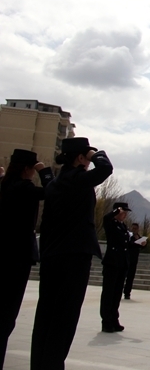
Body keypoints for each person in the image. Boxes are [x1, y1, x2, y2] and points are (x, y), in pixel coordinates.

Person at [31, 137, 113, 370]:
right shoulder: (77, 179)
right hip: (73, 256)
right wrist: (95, 154)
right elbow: (105, 168)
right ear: (80, 157)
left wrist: (45, 171)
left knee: (46, 313)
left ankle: (40, 364)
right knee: (65, 316)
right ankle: (52, 364)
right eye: (86, 156)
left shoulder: (55, 184)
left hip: (52, 255)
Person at [0, 150, 53, 368]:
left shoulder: (4, 185)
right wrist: (45, 171)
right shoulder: (24, 188)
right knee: (7, 313)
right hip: (17, 255)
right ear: (27, 169)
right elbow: (51, 191)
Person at [100, 202, 132, 332]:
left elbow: (126, 243)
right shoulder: (111, 223)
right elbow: (106, 218)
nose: (125, 215)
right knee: (109, 293)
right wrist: (115, 211)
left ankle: (114, 319)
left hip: (121, 263)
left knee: (117, 293)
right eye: (123, 212)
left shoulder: (123, 226)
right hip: (112, 263)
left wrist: (140, 243)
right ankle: (106, 321)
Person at [123, 222, 147, 300]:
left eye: (135, 229)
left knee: (130, 277)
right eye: (133, 228)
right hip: (126, 258)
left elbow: (142, 247)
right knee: (123, 276)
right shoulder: (129, 236)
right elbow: (130, 244)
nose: (134, 230)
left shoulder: (139, 237)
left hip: (134, 260)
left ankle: (127, 293)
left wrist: (144, 244)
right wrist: (137, 243)